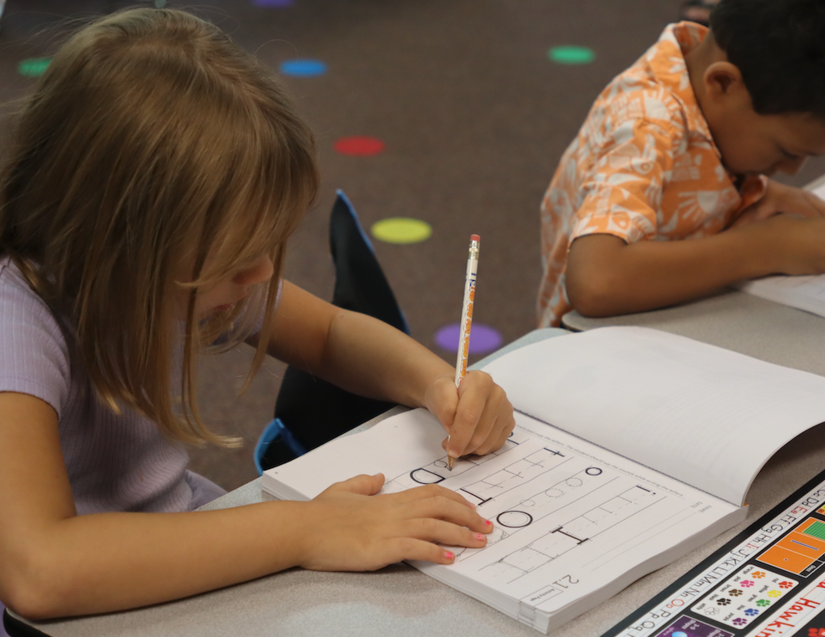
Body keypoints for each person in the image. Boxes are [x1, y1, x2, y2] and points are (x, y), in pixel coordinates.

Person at [0, 8, 514, 620]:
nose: (263, 276)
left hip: (183, 545)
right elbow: (41, 571)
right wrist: (305, 531)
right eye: (237, 258)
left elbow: (327, 334)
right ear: (120, 242)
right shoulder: (17, 328)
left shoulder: (156, 276)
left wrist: (436, 384)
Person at [537, 0, 825, 327]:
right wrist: (765, 248)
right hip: (584, 347)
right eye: (786, 151)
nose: (793, 170)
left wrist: (759, 191)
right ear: (724, 83)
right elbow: (596, 282)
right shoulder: (647, 121)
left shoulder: (707, 88)